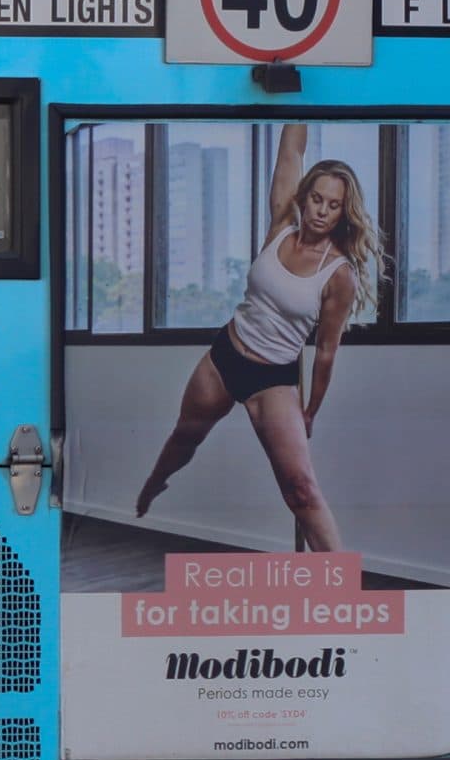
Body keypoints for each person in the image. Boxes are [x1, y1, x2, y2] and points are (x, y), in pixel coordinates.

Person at [134, 124, 381, 552]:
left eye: (334, 205)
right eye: (317, 199)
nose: (322, 211)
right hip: (225, 356)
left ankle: (343, 590)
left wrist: (310, 411)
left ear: (344, 213)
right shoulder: (282, 225)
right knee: (185, 436)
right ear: (304, 198)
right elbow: (290, 150)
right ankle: (154, 485)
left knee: (301, 489)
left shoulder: (339, 274)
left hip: (273, 381)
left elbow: (325, 354)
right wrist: (297, 99)